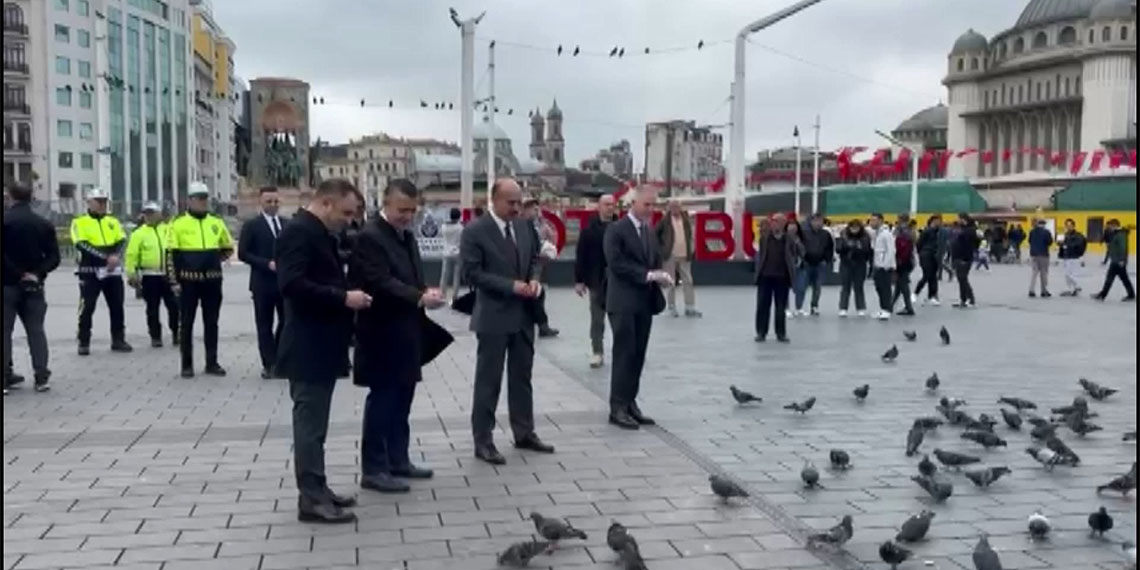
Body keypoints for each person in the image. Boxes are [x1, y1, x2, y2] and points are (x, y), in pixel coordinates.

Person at [349, 179, 451, 494]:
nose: (407, 216)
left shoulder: (405, 235)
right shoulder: (370, 236)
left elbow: (410, 275)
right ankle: (374, 468)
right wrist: (418, 297)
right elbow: (379, 281)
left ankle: (398, 459)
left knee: (402, 398)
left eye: (412, 210)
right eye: (401, 210)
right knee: (382, 399)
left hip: (407, 330)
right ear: (386, 203)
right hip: (380, 331)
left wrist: (424, 291)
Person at [276, 178, 369, 524]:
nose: (349, 220)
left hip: (321, 342)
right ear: (326, 204)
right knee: (309, 425)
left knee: (317, 425)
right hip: (307, 344)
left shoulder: (317, 232)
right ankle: (311, 498)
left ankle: (318, 488)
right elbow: (291, 284)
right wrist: (342, 297)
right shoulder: (299, 232)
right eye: (345, 212)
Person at [461, 178, 553, 465]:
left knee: (521, 378)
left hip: (524, 314)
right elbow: (472, 274)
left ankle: (524, 432)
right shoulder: (476, 231)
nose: (516, 208)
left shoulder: (526, 227)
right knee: (489, 380)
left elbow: (536, 259)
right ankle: (483, 440)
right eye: (510, 203)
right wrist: (511, 286)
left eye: (519, 202)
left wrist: (536, 280)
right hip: (494, 316)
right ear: (494, 200)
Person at [603, 186, 671, 429]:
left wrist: (659, 274)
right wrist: (648, 275)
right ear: (633, 203)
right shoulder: (616, 229)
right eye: (647, 205)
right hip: (622, 302)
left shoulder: (649, 232)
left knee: (638, 354)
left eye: (654, 205)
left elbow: (654, 259)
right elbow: (616, 263)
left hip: (644, 302)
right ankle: (617, 407)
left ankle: (630, 402)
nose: (651, 210)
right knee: (624, 353)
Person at [167, 182, 233, 378]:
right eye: (198, 199)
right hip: (188, 281)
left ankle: (211, 362)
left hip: (212, 280)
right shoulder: (177, 223)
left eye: (205, 199)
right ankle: (186, 365)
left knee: (212, 322)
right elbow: (171, 254)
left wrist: (211, 261)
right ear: (189, 200)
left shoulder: (216, 221)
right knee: (186, 323)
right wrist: (174, 281)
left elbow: (227, 247)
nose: (202, 202)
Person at [3, 184, 60, 394]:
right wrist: (37, 273)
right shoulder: (43, 224)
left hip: (7, 284)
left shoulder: (5, 221)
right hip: (34, 286)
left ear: (10, 197)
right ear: (31, 198)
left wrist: (17, 273)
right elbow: (54, 257)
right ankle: (41, 376)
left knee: (4, 331)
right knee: (36, 330)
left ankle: (4, 377)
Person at [71, 187, 132, 355]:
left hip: (112, 272)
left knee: (117, 305)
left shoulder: (112, 221)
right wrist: (106, 257)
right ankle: (84, 340)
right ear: (89, 203)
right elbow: (81, 244)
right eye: (98, 201)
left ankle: (118, 339)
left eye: (104, 201)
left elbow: (122, 240)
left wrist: (115, 257)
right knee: (87, 306)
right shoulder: (79, 222)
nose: (102, 205)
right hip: (90, 271)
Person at [238, 187, 286, 379]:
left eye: (275, 201)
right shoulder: (252, 225)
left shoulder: (286, 224)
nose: (273, 205)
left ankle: (280, 357)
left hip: (284, 282)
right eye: (269, 202)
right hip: (262, 283)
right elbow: (243, 253)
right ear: (261, 203)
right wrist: (266, 264)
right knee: (264, 324)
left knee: (286, 320)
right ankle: (269, 363)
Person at [125, 202, 179, 348]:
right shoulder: (138, 234)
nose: (149, 216)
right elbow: (131, 255)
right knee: (152, 308)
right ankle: (155, 336)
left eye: (152, 213)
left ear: (159, 214)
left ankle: (176, 332)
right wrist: (131, 273)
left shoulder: (169, 230)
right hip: (150, 276)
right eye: (146, 214)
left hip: (169, 274)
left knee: (174, 306)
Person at [574, 194, 617, 368]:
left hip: (617, 281)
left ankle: (623, 351)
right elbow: (581, 255)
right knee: (597, 319)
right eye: (606, 204)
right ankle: (597, 351)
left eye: (613, 205)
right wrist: (579, 280)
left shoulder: (620, 227)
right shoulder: (589, 230)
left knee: (620, 319)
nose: (610, 208)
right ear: (599, 206)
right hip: (597, 280)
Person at [753, 213, 800, 341]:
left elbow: (798, 252)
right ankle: (761, 332)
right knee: (762, 306)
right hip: (765, 276)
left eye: (777, 221)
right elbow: (760, 255)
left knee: (780, 307)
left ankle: (781, 333)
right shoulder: (765, 238)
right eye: (773, 221)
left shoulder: (788, 239)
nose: (774, 224)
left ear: (783, 223)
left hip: (782, 277)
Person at [521, 197, 560, 338]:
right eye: (533, 208)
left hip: (531, 273)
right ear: (524, 209)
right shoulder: (521, 226)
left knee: (538, 295)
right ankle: (541, 326)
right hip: (521, 274)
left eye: (537, 208)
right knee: (535, 297)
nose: (536, 211)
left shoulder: (532, 226)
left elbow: (535, 251)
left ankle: (543, 326)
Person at [654, 199, 700, 318]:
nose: (675, 209)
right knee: (671, 282)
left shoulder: (686, 220)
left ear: (681, 207)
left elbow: (690, 236)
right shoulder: (664, 221)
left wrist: (692, 249)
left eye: (677, 206)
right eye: (672, 207)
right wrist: (662, 250)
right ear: (668, 208)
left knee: (688, 281)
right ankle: (671, 307)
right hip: (670, 256)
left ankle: (690, 307)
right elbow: (655, 235)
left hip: (685, 255)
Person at [795, 213, 834, 317]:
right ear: (811, 222)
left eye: (820, 221)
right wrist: (801, 258)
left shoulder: (826, 234)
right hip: (806, 263)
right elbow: (798, 246)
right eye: (816, 221)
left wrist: (827, 260)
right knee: (801, 287)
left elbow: (830, 248)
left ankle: (814, 306)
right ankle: (799, 307)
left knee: (817, 287)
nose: (818, 223)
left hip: (820, 264)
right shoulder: (804, 233)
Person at [835, 219, 872, 317]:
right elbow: (838, 249)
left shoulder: (865, 236)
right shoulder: (843, 235)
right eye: (852, 227)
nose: (854, 229)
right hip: (846, 264)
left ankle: (861, 307)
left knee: (859, 287)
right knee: (845, 287)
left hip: (860, 264)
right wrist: (845, 245)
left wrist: (858, 249)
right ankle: (843, 308)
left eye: (856, 227)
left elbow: (868, 251)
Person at [1093, 219, 1135, 302]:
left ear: (1115, 225)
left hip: (1118, 261)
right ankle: (1131, 294)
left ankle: (1103, 295)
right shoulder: (1117, 233)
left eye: (1110, 226)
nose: (1109, 228)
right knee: (1124, 278)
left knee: (1110, 278)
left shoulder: (1121, 234)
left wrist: (1122, 260)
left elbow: (1123, 248)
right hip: (1116, 260)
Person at [868, 213, 896, 320]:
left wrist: (886, 264)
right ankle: (883, 308)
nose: (872, 222)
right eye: (871, 220)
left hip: (884, 266)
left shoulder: (886, 234)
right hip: (878, 265)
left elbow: (891, 250)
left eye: (874, 220)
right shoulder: (877, 233)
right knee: (879, 288)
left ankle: (887, 309)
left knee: (885, 288)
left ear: (880, 221)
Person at [950, 213, 980, 307]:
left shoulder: (969, 231)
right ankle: (964, 300)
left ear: (963, 219)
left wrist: (965, 258)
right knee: (962, 279)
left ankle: (969, 299)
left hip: (963, 258)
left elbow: (969, 246)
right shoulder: (965, 229)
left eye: (959, 219)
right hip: (960, 257)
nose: (958, 221)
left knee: (963, 279)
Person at [914, 215, 943, 305]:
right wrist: (921, 254)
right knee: (927, 275)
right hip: (926, 255)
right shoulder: (926, 231)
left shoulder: (938, 232)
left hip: (934, 255)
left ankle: (932, 295)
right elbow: (919, 243)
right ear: (932, 221)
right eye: (938, 221)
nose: (939, 223)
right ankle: (915, 293)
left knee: (933, 276)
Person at [892, 214, 917, 316]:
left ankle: (909, 307)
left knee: (903, 284)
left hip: (902, 260)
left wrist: (898, 260)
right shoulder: (910, 230)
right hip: (908, 260)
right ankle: (890, 305)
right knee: (899, 284)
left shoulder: (902, 231)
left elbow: (901, 247)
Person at [438, 207, 464, 301]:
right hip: (457, 253)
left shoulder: (444, 227)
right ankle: (455, 296)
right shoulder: (460, 228)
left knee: (444, 275)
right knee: (456, 276)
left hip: (446, 253)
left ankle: (442, 294)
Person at [1057, 218, 1087, 297]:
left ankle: (1077, 286)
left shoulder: (1078, 235)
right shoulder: (1065, 234)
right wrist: (1060, 244)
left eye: (1070, 225)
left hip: (1074, 257)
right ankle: (1072, 289)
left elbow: (1079, 244)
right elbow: (1060, 244)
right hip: (1066, 256)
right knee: (1066, 274)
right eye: (1067, 225)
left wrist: (1068, 246)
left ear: (1073, 226)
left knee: (1071, 274)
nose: (1068, 227)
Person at [1027, 218, 1053, 298]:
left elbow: (1029, 241)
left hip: (1033, 254)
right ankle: (1044, 291)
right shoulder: (1046, 232)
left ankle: (1031, 290)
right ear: (1044, 225)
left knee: (1034, 273)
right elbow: (1050, 242)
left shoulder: (1032, 231)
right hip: (1043, 255)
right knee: (1043, 273)